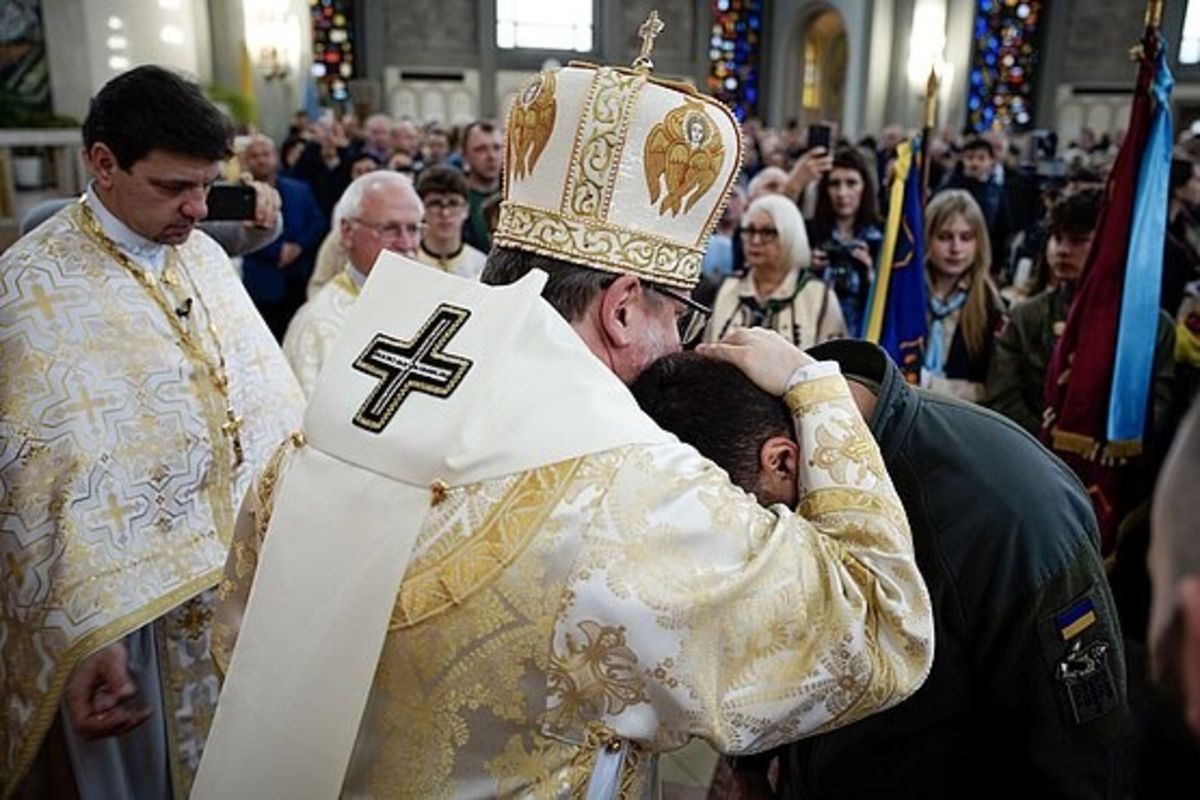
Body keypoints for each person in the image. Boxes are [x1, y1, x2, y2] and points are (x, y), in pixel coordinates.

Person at [195, 37, 933, 798]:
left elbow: (240, 633)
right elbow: (880, 630)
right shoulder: (631, 488)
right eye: (677, 315)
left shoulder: (361, 388)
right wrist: (815, 389)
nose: (680, 341)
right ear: (619, 308)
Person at [630, 341, 1129, 798]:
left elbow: (1079, 752)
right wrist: (751, 765)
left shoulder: (1011, 511)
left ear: (783, 462)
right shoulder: (768, 422)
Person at [0, 65, 304, 799]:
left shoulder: (197, 253)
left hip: (246, 592)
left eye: (207, 185)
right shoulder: (28, 291)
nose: (199, 210)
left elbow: (264, 406)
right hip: (133, 627)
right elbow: (32, 489)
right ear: (102, 164)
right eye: (174, 188)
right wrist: (85, 637)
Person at [282, 170, 423, 396]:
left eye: (413, 229)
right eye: (389, 229)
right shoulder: (315, 325)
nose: (406, 243)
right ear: (347, 232)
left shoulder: (437, 301)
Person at [704, 194, 846, 348]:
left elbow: (832, 364)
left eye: (767, 233)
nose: (756, 241)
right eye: (750, 231)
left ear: (790, 237)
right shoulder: (727, 287)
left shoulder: (818, 295)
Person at [238, 134, 327, 340]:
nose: (261, 160)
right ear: (246, 161)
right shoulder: (239, 196)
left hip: (298, 279)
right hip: (262, 281)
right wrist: (277, 251)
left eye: (266, 154)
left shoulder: (300, 189)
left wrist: (298, 246)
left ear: (276, 156)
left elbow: (317, 221)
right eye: (255, 156)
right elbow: (239, 233)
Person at [922, 189, 1005, 402]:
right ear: (927, 238)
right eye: (944, 237)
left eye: (966, 238)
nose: (955, 248)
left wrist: (930, 385)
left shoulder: (991, 306)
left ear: (979, 243)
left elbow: (992, 388)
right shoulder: (908, 295)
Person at [808, 147, 884, 337]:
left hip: (865, 335)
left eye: (851, 183)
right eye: (835, 184)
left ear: (865, 187)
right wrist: (807, 269)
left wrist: (870, 275)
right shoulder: (810, 232)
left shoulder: (882, 237)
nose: (842, 193)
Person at [414, 165, 486, 279]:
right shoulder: (410, 262)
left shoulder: (481, 265)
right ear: (421, 209)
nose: (445, 213)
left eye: (453, 203)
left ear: (466, 209)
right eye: (435, 203)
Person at [460, 119, 504, 253]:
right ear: (465, 155)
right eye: (481, 149)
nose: (491, 156)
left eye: (497, 148)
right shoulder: (456, 199)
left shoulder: (517, 197)